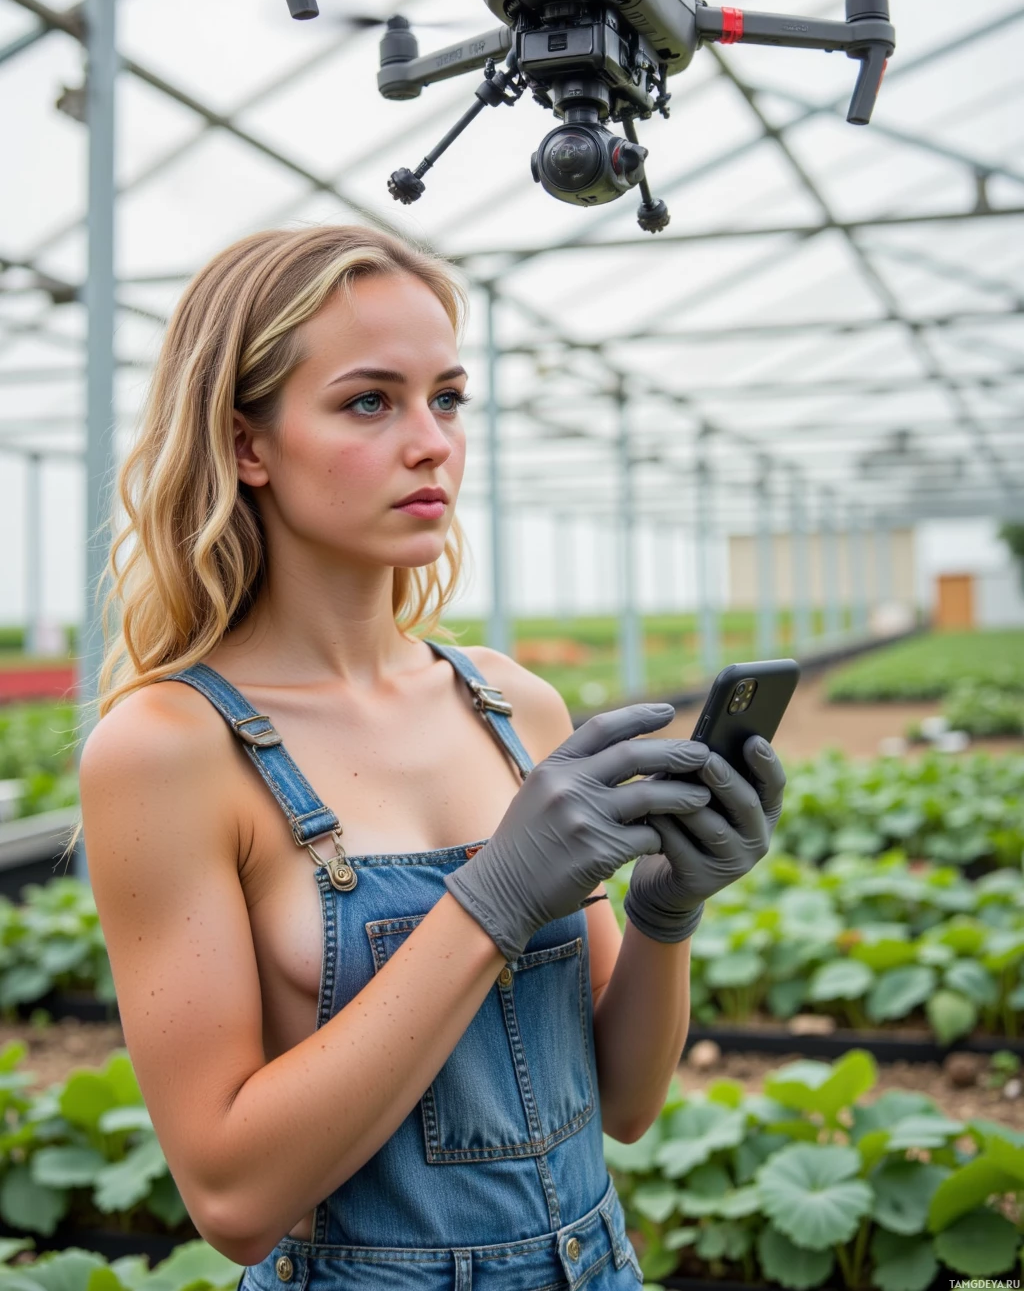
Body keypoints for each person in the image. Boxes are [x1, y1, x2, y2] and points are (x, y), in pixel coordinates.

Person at [79, 224, 786, 1290]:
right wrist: (490, 902)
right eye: (370, 401)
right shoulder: (169, 748)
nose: (431, 443)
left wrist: (666, 911)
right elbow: (230, 1199)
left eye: (446, 398)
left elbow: (626, 1106)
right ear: (245, 445)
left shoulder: (514, 706)